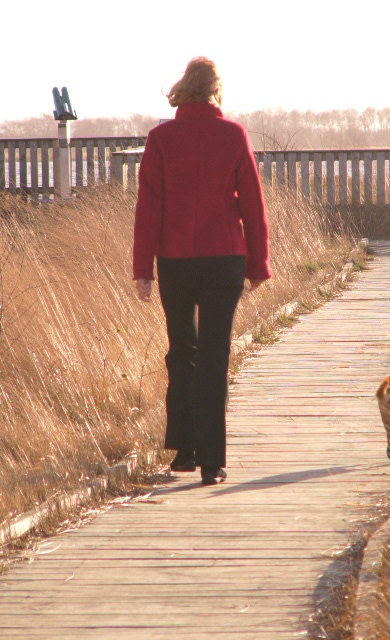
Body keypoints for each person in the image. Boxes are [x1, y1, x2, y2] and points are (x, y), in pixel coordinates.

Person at [133, 57, 271, 486]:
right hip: (223, 259)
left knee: (182, 352)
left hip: (173, 260)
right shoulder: (233, 135)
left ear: (183, 90)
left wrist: (142, 268)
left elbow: (148, 206)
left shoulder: (160, 138)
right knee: (214, 355)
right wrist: (258, 263)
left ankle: (184, 453)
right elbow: (252, 202)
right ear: (215, 91)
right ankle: (213, 462)